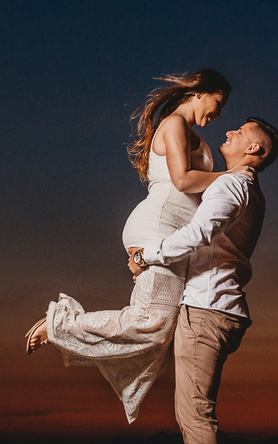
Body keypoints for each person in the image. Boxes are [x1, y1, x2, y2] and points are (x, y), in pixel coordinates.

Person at [24, 69, 252, 423]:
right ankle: (59, 324)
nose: (219, 114)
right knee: (152, 322)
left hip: (170, 236)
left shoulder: (190, 133)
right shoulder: (175, 124)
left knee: (160, 331)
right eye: (218, 103)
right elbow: (183, 179)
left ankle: (63, 327)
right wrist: (234, 174)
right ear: (199, 93)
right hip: (157, 228)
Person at [128, 116, 278, 444]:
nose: (229, 131)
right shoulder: (249, 189)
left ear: (254, 150)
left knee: (195, 415)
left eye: (240, 131)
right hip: (218, 310)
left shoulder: (233, 183)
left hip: (207, 311)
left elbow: (199, 234)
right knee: (192, 412)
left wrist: (146, 256)